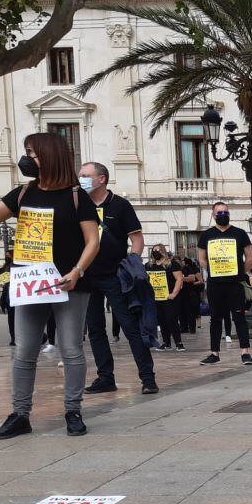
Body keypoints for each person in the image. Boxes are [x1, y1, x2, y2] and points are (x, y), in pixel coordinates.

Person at [0, 131, 100, 438]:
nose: (26, 159)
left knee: (71, 348)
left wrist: (77, 271)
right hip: (30, 283)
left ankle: (73, 410)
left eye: (31, 153)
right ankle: (20, 414)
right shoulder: (23, 193)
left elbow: (93, 241)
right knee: (24, 349)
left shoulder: (77, 197)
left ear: (48, 156)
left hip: (69, 283)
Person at [78, 161, 158, 395]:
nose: (80, 179)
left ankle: (147, 377)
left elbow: (137, 239)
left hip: (115, 276)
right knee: (95, 329)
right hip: (88, 276)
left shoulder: (120, 205)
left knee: (130, 327)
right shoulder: (78, 206)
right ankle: (105, 377)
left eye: (85, 175)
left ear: (101, 179)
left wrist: (130, 264)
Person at [198, 201, 252, 365]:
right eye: (219, 212)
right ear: (213, 215)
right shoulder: (206, 235)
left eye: (225, 212)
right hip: (215, 284)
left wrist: (242, 272)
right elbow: (201, 259)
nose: (223, 215)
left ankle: (245, 352)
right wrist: (215, 269)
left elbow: (249, 256)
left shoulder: (240, 233)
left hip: (235, 283)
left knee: (239, 316)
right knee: (215, 318)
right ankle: (214, 353)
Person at [147, 244, 184, 351]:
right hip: (156, 298)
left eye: (158, 250)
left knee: (171, 319)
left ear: (163, 251)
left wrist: (174, 293)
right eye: (154, 250)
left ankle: (179, 342)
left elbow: (179, 279)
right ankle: (166, 342)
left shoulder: (172, 264)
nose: (155, 252)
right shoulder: (149, 265)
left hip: (169, 297)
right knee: (161, 320)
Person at [179, 250, 202, 333]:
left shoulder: (189, 269)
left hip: (190, 293)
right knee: (182, 312)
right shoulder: (176, 269)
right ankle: (184, 328)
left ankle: (193, 328)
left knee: (191, 312)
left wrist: (181, 279)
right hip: (180, 294)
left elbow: (198, 280)